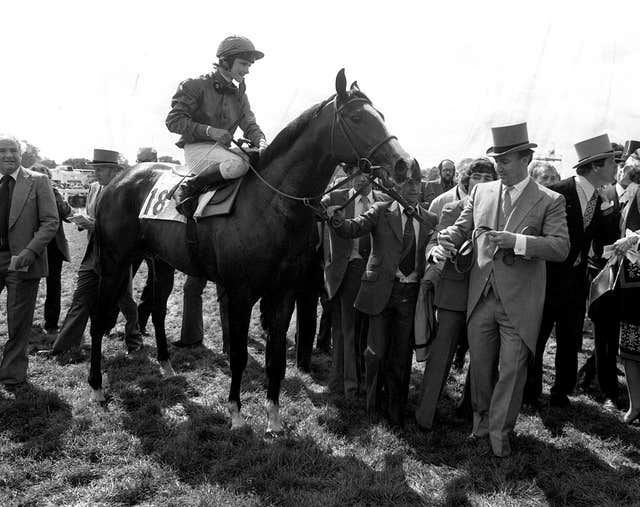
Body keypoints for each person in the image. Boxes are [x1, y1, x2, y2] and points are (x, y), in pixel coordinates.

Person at [437, 122, 569, 456]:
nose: (499, 165)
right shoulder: (482, 192)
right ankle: (481, 422)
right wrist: (447, 237)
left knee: (511, 370)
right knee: (480, 367)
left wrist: (519, 242)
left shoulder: (550, 200)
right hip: (481, 297)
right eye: (496, 158)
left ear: (526, 158)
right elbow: (462, 226)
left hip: (520, 302)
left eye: (506, 159)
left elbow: (560, 248)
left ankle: (500, 432)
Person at [327, 165, 438, 426]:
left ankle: (395, 408)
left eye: (417, 182)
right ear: (396, 185)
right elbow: (354, 228)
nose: (412, 188)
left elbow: (432, 249)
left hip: (410, 294)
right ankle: (372, 405)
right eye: (407, 183)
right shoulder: (380, 210)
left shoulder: (429, 219)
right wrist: (337, 220)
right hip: (381, 292)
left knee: (401, 356)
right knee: (375, 353)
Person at [524, 134, 620, 408]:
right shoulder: (556, 192)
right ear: (594, 167)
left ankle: (561, 392)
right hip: (547, 279)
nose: (616, 168)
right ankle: (530, 392)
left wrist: (611, 218)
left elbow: (604, 243)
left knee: (570, 340)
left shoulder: (602, 197)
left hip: (577, 283)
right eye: (612, 162)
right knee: (539, 338)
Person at [415, 157, 496, 430]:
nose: (482, 184)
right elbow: (434, 240)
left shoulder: (502, 211)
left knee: (482, 359)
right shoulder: (452, 209)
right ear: (466, 180)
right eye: (477, 178)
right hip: (453, 293)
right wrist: (434, 251)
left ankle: (468, 413)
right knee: (441, 355)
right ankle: (424, 415)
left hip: (485, 295)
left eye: (488, 179)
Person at [52, 149, 143, 355]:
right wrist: (82, 222)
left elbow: (127, 228)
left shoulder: (126, 192)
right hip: (93, 253)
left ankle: (134, 340)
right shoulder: (93, 188)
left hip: (117, 255)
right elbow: (92, 214)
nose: (96, 173)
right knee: (80, 298)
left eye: (100, 169)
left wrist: (93, 225)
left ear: (114, 171)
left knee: (125, 300)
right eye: (95, 169)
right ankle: (63, 348)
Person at [166, 35, 267, 217]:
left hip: (222, 151)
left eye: (249, 66)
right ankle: (190, 186)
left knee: (260, 162)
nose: (247, 71)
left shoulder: (240, 96)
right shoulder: (194, 85)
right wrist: (209, 131)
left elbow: (250, 124)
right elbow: (173, 121)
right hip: (197, 150)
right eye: (243, 64)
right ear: (225, 61)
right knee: (238, 165)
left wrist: (262, 142)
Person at [321, 169, 387, 398]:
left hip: (375, 275)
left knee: (367, 330)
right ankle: (350, 385)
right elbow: (314, 212)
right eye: (357, 172)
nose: (362, 178)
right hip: (347, 271)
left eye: (368, 174)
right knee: (347, 329)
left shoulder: (384, 201)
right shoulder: (335, 198)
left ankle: (362, 380)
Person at [0, 134, 58, 386]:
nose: (8, 155)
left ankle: (12, 374)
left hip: (22, 261)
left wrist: (30, 251)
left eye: (13, 150)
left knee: (18, 320)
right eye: (2, 151)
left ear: (21, 154)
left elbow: (50, 221)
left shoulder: (38, 181)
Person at [608, 161, 640, 424]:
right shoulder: (631, 192)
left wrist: (635, 238)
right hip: (632, 283)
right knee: (630, 345)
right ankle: (635, 405)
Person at [30, 164, 73, 333]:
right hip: (31, 245)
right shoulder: (24, 194)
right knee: (29, 285)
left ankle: (51, 323)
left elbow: (67, 213)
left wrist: (55, 195)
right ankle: (25, 320)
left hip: (54, 247)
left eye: (45, 177)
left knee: (53, 285)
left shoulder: (54, 193)